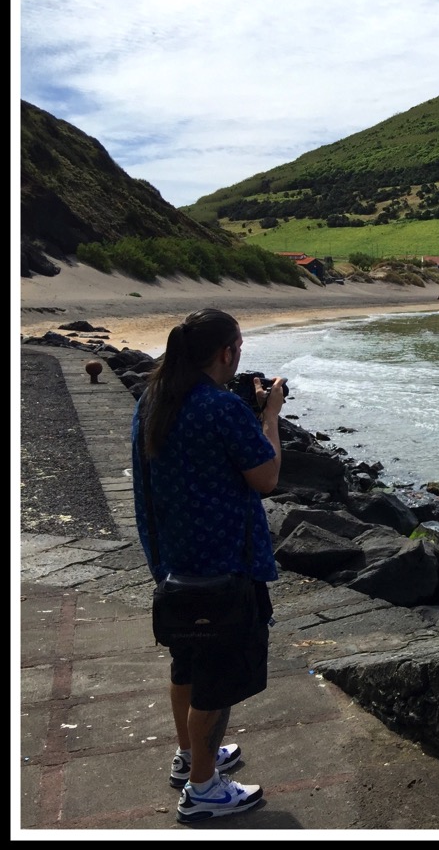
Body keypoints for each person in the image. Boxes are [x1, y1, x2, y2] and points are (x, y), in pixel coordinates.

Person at [131, 308, 285, 823]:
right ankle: (202, 788)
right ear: (227, 352)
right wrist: (269, 415)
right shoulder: (220, 409)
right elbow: (266, 477)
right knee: (216, 684)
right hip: (224, 568)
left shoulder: (156, 399)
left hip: (173, 562)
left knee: (187, 667)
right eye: (238, 345)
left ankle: (187, 756)